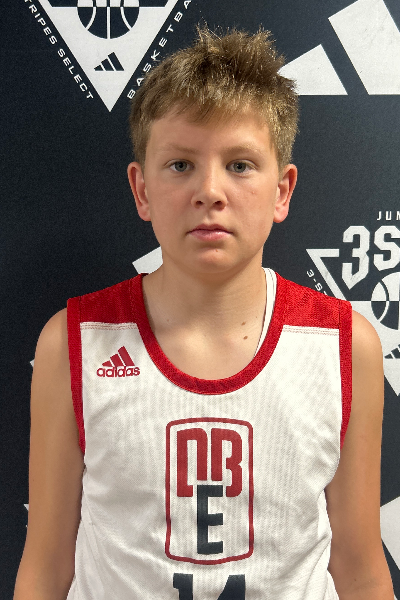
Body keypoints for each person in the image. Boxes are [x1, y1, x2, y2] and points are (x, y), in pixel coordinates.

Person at [14, 26, 394, 600]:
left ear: (282, 191)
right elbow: (45, 569)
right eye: (180, 165)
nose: (210, 191)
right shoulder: (75, 342)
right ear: (141, 190)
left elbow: (360, 569)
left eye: (240, 165)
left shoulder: (344, 345)